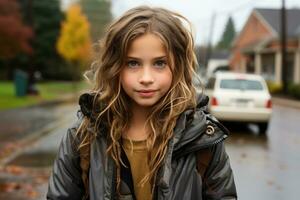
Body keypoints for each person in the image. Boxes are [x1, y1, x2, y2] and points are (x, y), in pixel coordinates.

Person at [47, 5, 237, 200]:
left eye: (159, 63)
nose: (146, 78)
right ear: (115, 67)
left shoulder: (200, 136)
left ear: (178, 66)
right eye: (133, 63)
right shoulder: (83, 136)